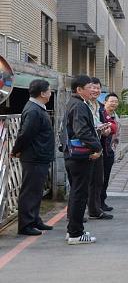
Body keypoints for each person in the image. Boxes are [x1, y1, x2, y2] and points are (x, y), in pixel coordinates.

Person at [12, 79, 54, 236]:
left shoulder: (37, 108)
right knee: (30, 191)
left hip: (39, 155)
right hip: (34, 156)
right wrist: (16, 150)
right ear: (42, 93)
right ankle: (26, 225)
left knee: (36, 190)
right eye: (49, 91)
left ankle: (35, 219)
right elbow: (26, 134)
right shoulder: (33, 110)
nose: (50, 93)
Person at [64, 75, 103, 245]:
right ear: (79, 89)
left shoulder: (74, 103)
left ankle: (74, 229)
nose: (93, 90)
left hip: (73, 155)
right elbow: (81, 131)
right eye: (89, 87)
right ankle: (75, 233)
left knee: (76, 193)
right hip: (80, 157)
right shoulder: (79, 106)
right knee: (80, 194)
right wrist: (97, 147)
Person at [86, 77, 112, 220]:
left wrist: (104, 129)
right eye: (92, 87)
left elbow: (97, 123)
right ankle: (75, 215)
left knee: (97, 180)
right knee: (85, 183)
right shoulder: (83, 105)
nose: (95, 90)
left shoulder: (97, 105)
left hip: (97, 146)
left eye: (98, 88)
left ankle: (95, 210)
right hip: (87, 149)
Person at [100, 92, 120, 212]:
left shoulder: (115, 116)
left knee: (106, 178)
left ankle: (102, 201)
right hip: (100, 151)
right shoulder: (101, 115)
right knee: (99, 179)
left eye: (116, 101)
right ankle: (96, 203)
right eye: (111, 101)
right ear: (105, 102)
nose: (113, 103)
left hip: (109, 151)